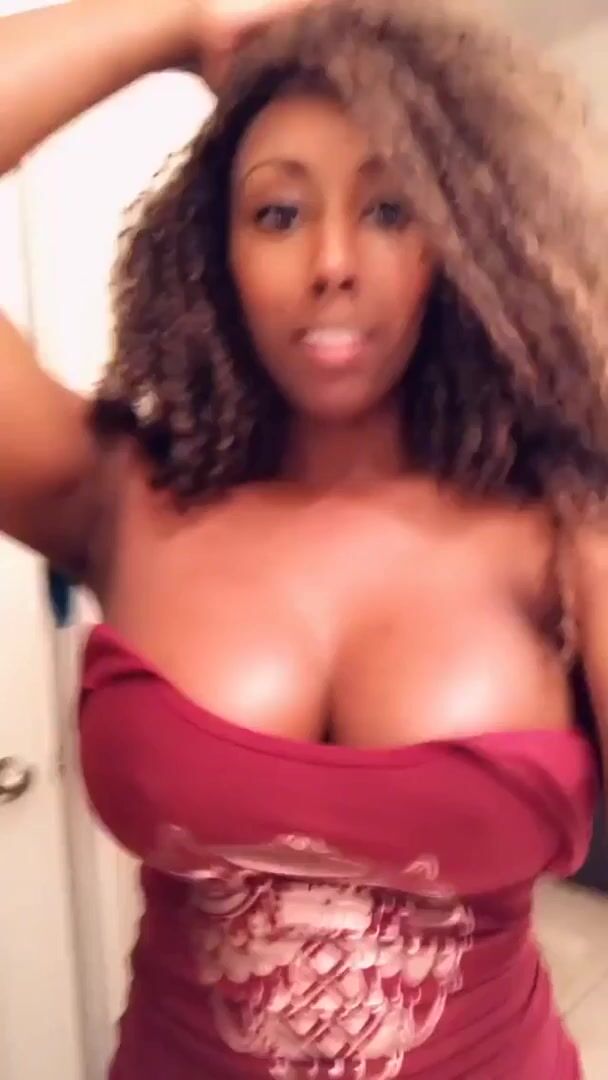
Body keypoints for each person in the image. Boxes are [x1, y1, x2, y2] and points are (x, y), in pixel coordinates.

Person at [1, 0, 608, 1076]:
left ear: (466, 239)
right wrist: (176, 21)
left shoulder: (565, 529)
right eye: (278, 213)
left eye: (391, 208)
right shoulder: (122, 496)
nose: (332, 261)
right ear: (215, 249)